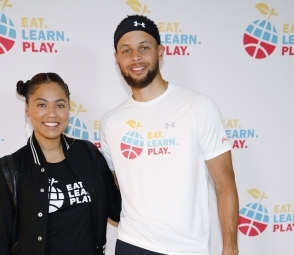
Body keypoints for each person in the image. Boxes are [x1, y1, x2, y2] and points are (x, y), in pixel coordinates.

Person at [100, 15, 239, 255]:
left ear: (160, 51)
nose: (136, 57)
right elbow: (112, 188)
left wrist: (230, 247)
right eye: (126, 50)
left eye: (144, 47)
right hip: (131, 244)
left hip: (187, 249)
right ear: (117, 59)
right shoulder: (111, 122)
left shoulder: (197, 107)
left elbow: (224, 183)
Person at [0, 72, 121, 255]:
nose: (52, 114)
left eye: (60, 105)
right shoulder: (10, 167)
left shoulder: (88, 152)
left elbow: (117, 209)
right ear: (27, 109)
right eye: (41, 105)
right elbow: (2, 245)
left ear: (68, 108)